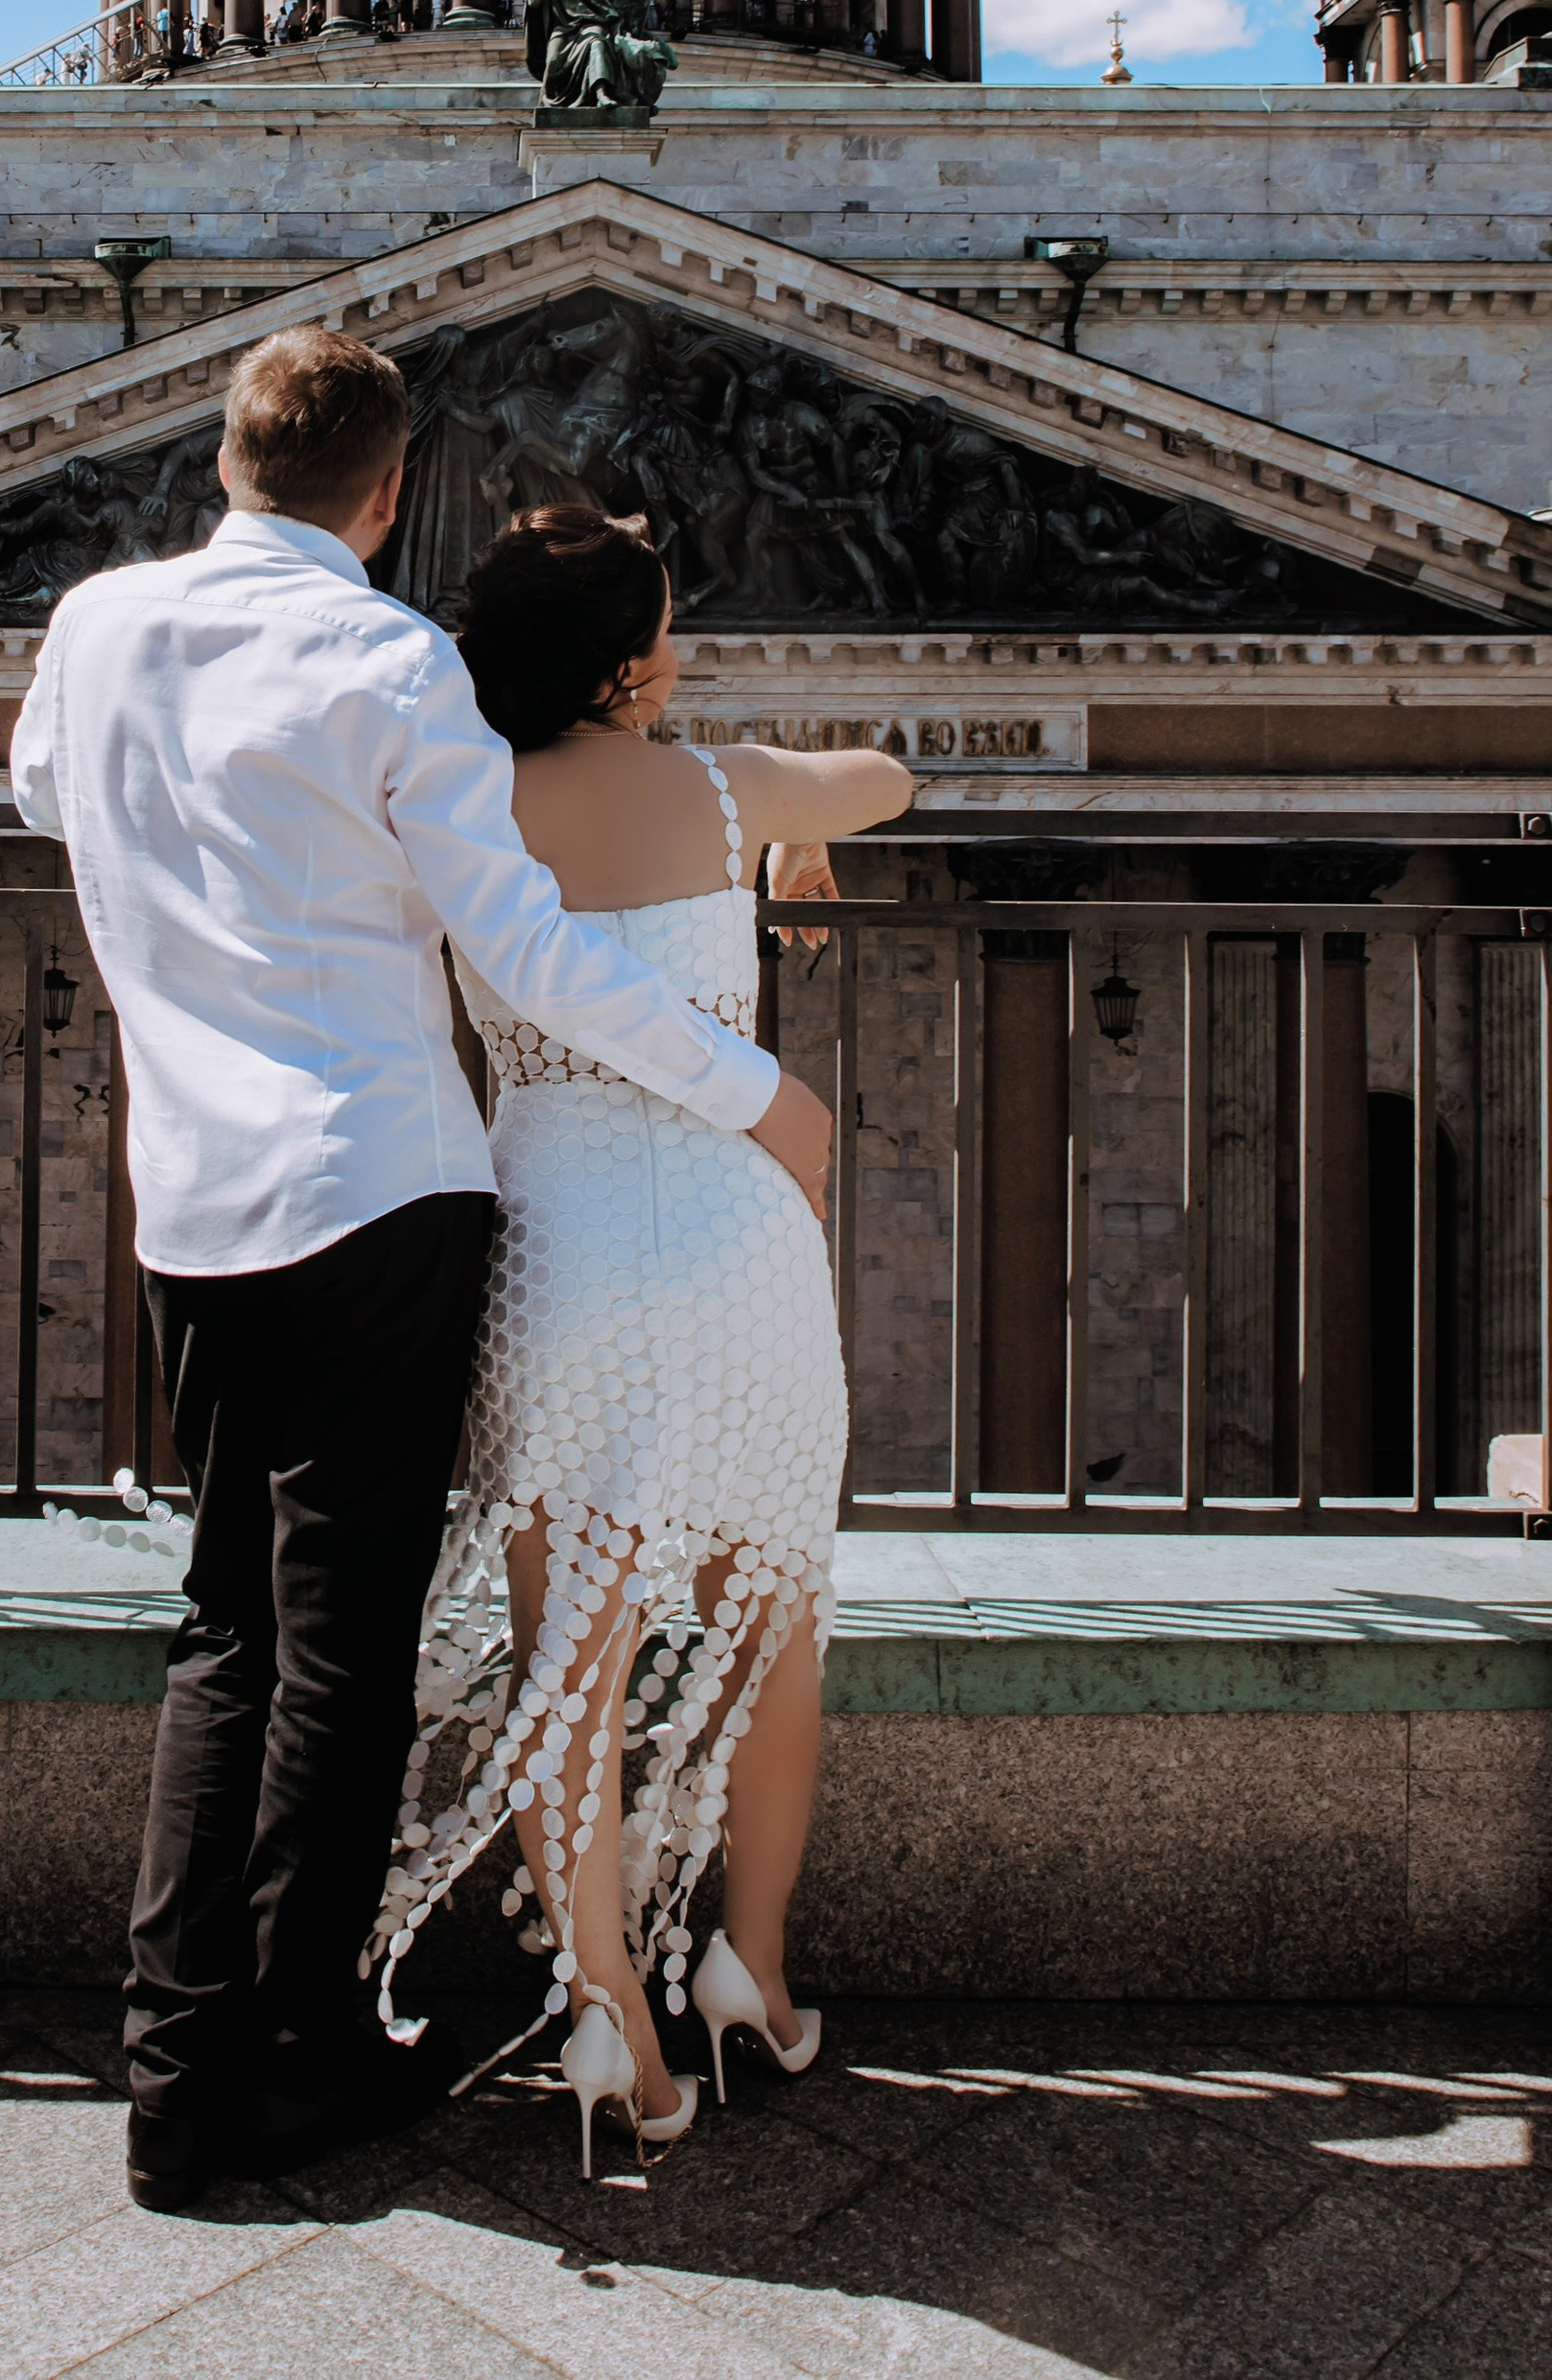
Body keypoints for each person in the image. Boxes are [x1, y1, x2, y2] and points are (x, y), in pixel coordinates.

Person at [11, 333, 809, 2215]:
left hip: (188, 1203)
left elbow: (49, 797)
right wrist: (744, 1087)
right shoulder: (390, 662)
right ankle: (290, 2056)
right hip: (376, 1198)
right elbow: (522, 952)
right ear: (384, 496)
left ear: (230, 460)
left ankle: (173, 2068)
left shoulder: (96, 628)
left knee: (225, 1631)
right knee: (340, 1655)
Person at [374, 505, 911, 2174]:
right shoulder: (722, 785)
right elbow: (884, 773)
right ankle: (753, 1968)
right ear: (629, 663)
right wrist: (781, 839)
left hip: (565, 1248)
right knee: (771, 1621)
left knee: (570, 1662)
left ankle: (613, 2015)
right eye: (666, 628)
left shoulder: (463, 808)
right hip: (744, 1228)